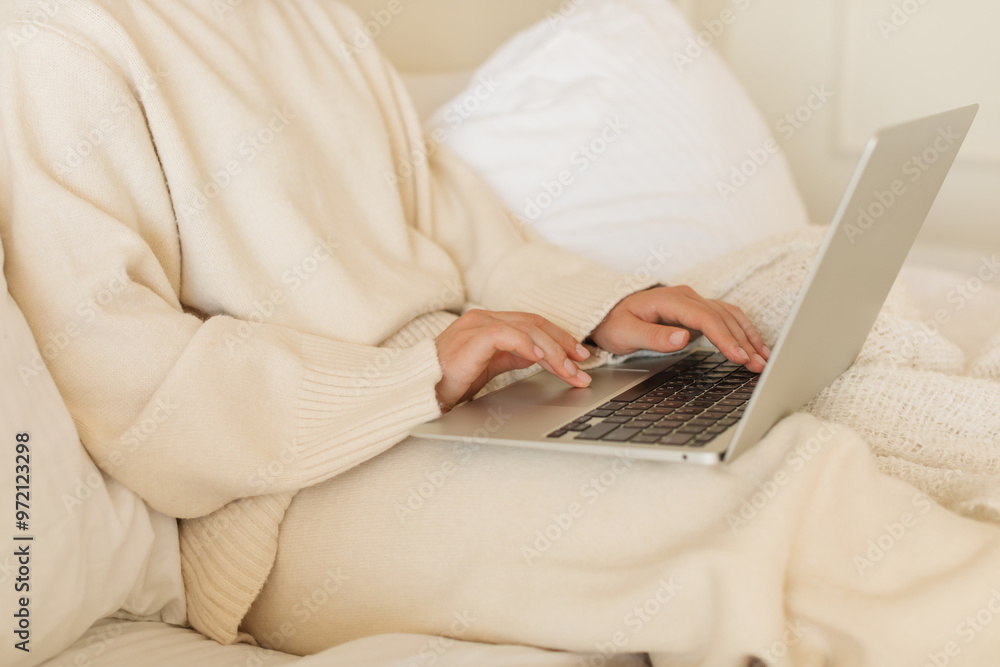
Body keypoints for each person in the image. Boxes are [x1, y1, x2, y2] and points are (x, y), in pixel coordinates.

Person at [3, 1, 1000, 665]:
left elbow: (454, 227)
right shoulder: (54, 46)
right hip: (283, 502)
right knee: (776, 498)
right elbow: (130, 390)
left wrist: (597, 306)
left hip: (450, 404)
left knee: (805, 399)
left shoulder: (313, 17)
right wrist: (414, 378)